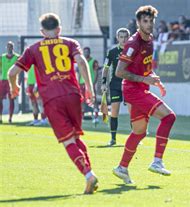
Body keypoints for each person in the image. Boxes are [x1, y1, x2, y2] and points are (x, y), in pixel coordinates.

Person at [8, 13, 98, 193]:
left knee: (68, 141)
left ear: (42, 31)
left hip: (52, 99)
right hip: (73, 95)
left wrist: (14, 87)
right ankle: (90, 173)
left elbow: (12, 72)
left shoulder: (33, 49)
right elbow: (81, 62)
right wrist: (89, 87)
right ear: (59, 29)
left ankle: (89, 175)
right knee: (76, 137)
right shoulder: (70, 43)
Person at [112, 5, 176, 184]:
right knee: (169, 117)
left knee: (139, 132)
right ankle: (157, 161)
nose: (149, 24)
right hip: (133, 91)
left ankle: (122, 168)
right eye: (145, 21)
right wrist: (143, 79)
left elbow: (145, 67)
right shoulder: (133, 43)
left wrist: (154, 79)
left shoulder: (149, 39)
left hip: (140, 89)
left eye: (151, 21)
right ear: (138, 23)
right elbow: (119, 71)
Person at [101, 28, 131, 146]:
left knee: (132, 112)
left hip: (130, 85)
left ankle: (135, 138)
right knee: (114, 111)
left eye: (126, 37)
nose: (123, 39)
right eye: (121, 37)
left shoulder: (133, 51)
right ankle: (113, 138)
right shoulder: (112, 52)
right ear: (117, 38)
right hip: (115, 85)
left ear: (129, 38)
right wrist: (103, 82)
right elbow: (106, 68)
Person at [78, 47, 99, 122]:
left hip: (90, 84)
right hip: (82, 83)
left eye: (87, 52)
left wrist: (93, 83)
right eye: (84, 52)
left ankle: (96, 116)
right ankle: (82, 117)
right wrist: (78, 82)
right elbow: (80, 73)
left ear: (89, 52)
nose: (85, 53)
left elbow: (96, 73)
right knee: (82, 100)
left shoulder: (94, 61)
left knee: (94, 99)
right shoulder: (81, 61)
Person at [0, 41, 19, 124]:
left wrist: (18, 83)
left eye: (11, 46)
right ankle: (0, 117)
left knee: (11, 100)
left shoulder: (17, 57)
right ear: (6, 48)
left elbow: (20, 70)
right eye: (8, 47)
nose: (9, 48)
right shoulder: (2, 57)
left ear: (13, 48)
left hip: (12, 81)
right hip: (3, 80)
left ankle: (10, 118)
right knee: (0, 99)